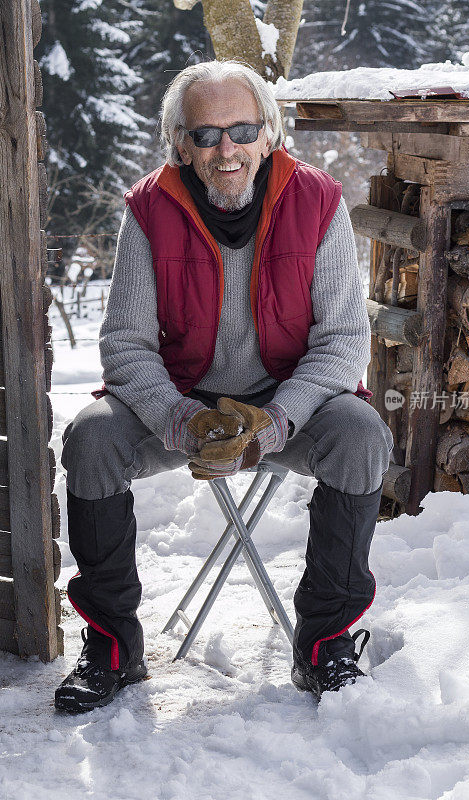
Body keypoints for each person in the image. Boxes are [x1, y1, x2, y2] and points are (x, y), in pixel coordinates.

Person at [55, 59, 394, 713]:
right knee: (92, 440)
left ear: (267, 133)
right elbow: (127, 346)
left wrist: (276, 419)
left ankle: (325, 644)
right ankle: (111, 649)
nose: (225, 149)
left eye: (240, 130)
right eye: (205, 135)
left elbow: (341, 342)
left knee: (360, 435)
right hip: (182, 402)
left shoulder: (318, 200)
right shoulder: (149, 211)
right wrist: (180, 420)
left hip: (287, 401)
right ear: (181, 144)